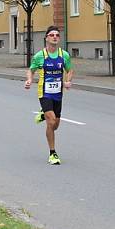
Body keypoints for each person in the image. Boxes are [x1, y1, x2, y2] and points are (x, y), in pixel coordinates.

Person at [24, 26, 74, 165]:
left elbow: (69, 70)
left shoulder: (64, 55)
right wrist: (29, 80)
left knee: (55, 125)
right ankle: (53, 153)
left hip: (58, 94)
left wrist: (68, 81)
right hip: (44, 93)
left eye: (57, 35)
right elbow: (31, 70)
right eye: (52, 35)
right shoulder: (40, 56)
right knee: (51, 121)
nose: (55, 37)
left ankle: (42, 115)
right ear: (46, 38)